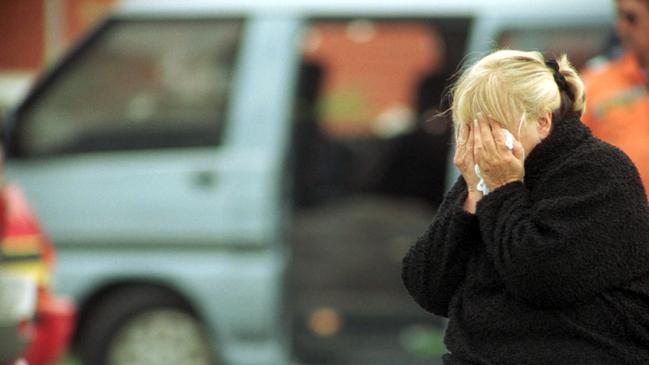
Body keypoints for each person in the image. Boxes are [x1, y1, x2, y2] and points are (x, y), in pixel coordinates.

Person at [402, 49, 649, 364]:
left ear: (543, 122)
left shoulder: (599, 172)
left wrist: (504, 188)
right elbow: (428, 287)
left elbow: (539, 278)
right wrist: (472, 195)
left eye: (494, 128)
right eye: (470, 128)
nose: (482, 142)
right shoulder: (485, 178)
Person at [581, 0, 649, 192]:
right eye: (619, 16)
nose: (621, 27)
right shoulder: (594, 82)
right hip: (618, 217)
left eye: (631, 17)